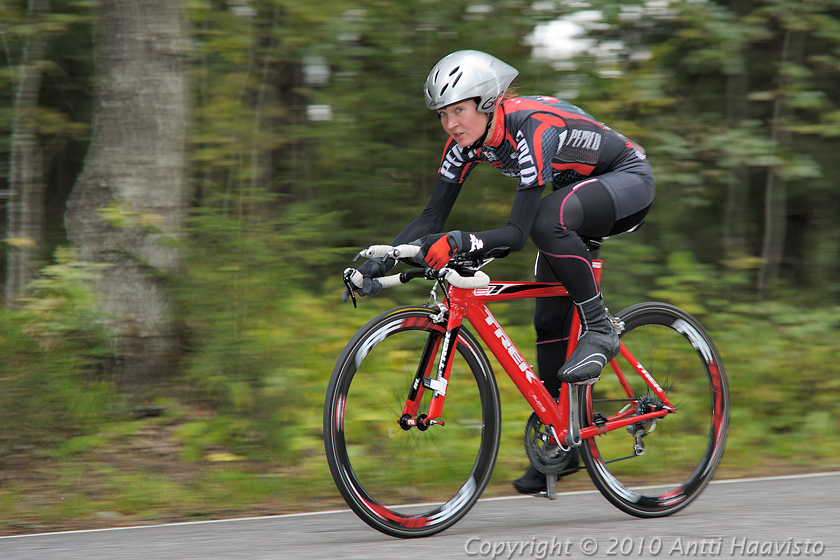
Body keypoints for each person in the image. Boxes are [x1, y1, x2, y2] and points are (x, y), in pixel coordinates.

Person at [344, 50, 655, 494]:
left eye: (458, 110)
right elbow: (431, 217)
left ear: (487, 104)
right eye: (443, 114)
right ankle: (561, 441)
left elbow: (517, 234)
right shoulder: (463, 144)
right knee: (548, 317)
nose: (451, 124)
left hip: (627, 180)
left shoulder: (532, 128)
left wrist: (463, 242)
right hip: (577, 194)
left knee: (550, 219)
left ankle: (601, 327)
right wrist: (381, 260)